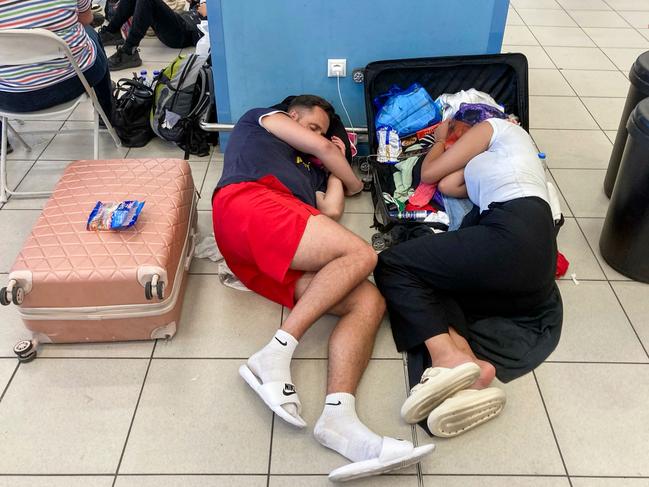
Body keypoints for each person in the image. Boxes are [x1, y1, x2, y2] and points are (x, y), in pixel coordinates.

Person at [211, 95, 434, 481]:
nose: (316, 136)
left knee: (368, 299)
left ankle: (338, 419)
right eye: (311, 125)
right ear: (293, 115)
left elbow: (332, 207)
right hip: (248, 204)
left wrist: (333, 168)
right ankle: (274, 354)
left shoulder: (309, 172)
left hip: (268, 250)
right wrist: (339, 160)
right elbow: (342, 175)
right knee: (363, 256)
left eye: (322, 133)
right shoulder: (264, 119)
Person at [374, 116, 558, 438]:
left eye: (456, 137)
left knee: (393, 264)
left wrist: (440, 138)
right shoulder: (488, 164)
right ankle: (471, 367)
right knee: (436, 275)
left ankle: (446, 357)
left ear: (464, 128)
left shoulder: (497, 128)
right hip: (532, 260)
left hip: (512, 233)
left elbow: (429, 172)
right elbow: (444, 184)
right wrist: (447, 150)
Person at [0, 0, 113, 121]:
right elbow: (86, 19)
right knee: (90, 33)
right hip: (75, 81)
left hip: (10, 98)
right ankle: (107, 113)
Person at [99, 0, 206, 71]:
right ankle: (112, 31)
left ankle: (129, 51)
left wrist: (207, 13)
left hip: (185, 32)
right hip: (183, 19)